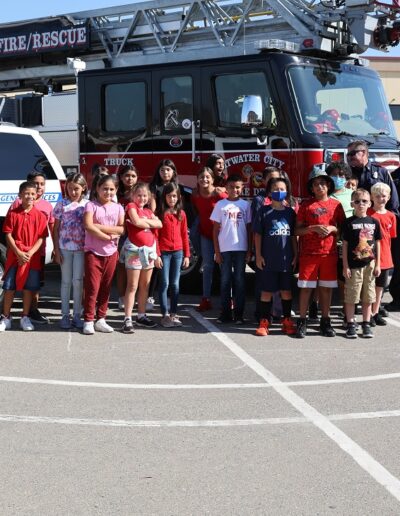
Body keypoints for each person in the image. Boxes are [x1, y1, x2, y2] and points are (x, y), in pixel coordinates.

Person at [295, 168, 345, 338]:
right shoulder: (306, 205)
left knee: (326, 289)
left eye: (322, 183)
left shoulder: (336, 205)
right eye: (315, 184)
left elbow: (343, 229)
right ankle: (302, 321)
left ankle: (325, 321)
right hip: (309, 254)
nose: (319, 187)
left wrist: (332, 228)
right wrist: (312, 228)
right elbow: (296, 230)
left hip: (328, 254)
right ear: (311, 188)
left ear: (328, 185)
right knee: (306, 289)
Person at [0, 181, 48, 332]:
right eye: (26, 193)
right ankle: (6, 317)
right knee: (9, 288)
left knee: (28, 289)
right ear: (20, 195)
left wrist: (30, 253)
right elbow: (8, 234)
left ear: (36, 195)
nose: (30, 196)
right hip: (14, 257)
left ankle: (25, 317)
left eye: (33, 193)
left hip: (31, 259)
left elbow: (41, 237)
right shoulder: (13, 214)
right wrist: (18, 252)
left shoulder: (40, 216)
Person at [253, 177, 297, 336]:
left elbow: (293, 236)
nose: (279, 192)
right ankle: (264, 322)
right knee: (266, 292)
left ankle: (286, 321)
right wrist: (258, 255)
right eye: (276, 189)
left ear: (287, 191)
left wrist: (296, 254)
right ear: (270, 192)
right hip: (268, 259)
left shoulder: (290, 213)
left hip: (286, 260)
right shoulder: (263, 211)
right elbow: (258, 235)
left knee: (286, 292)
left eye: (282, 189)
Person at [83, 175, 125, 335]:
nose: (108, 192)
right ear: (97, 188)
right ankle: (88, 320)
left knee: (106, 287)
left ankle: (101, 319)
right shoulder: (90, 205)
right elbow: (88, 225)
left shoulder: (119, 208)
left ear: (116, 190)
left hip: (111, 252)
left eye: (111, 189)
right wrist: (107, 236)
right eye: (105, 188)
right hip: (93, 252)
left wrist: (99, 227)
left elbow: (121, 229)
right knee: (92, 287)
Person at [121, 182, 162, 333]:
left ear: (149, 197)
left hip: (149, 251)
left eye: (145, 196)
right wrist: (150, 223)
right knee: (132, 285)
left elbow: (159, 224)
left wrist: (157, 254)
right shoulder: (131, 206)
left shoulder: (148, 211)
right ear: (133, 195)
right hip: (134, 250)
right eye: (139, 195)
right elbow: (136, 222)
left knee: (145, 286)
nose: (142, 198)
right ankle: (127, 318)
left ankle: (141, 315)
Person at [211, 174, 251, 323]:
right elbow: (215, 230)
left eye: (237, 187)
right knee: (225, 281)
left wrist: (249, 250)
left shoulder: (245, 205)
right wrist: (217, 251)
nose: (234, 190)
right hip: (225, 249)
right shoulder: (220, 205)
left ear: (242, 188)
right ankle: (225, 314)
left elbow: (249, 229)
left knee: (240, 281)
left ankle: (239, 315)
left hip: (241, 248)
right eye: (231, 187)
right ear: (226, 188)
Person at [342, 189, 381, 338]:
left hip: (370, 265)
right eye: (357, 201)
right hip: (353, 265)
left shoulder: (374, 222)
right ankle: (351, 324)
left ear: (370, 203)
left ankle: (366, 323)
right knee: (352, 296)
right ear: (352, 204)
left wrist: (378, 264)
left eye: (364, 201)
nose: (361, 204)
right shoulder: (348, 223)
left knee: (368, 296)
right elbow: (345, 245)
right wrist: (345, 266)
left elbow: (378, 243)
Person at [53, 173, 89, 330]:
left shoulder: (88, 205)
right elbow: (55, 229)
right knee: (66, 282)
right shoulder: (61, 204)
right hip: (64, 249)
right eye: (70, 189)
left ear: (83, 188)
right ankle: (65, 315)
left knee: (78, 281)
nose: (73, 192)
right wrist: (56, 250)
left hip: (81, 249)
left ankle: (77, 315)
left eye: (76, 189)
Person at [192, 167, 227, 312]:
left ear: (213, 179)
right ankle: (206, 299)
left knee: (224, 268)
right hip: (206, 235)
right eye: (201, 177)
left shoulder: (219, 194)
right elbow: (198, 211)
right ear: (197, 179)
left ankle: (227, 300)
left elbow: (230, 206)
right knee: (207, 267)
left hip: (222, 236)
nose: (204, 179)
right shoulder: (195, 194)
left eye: (207, 177)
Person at [156, 182, 190, 327]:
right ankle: (164, 315)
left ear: (179, 197)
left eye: (174, 196)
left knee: (175, 284)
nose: (172, 199)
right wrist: (157, 255)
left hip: (178, 252)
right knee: (164, 283)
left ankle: (173, 314)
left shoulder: (181, 214)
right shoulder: (160, 213)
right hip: (164, 252)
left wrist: (187, 255)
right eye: (169, 196)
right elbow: (155, 236)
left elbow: (184, 235)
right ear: (164, 197)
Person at [26, 171, 55, 325]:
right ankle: (7, 313)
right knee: (17, 282)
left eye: (42, 184)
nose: (39, 187)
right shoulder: (19, 203)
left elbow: (53, 228)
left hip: (39, 251)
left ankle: (33, 311)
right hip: (22, 251)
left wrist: (56, 248)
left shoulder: (47, 206)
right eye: (36, 183)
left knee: (36, 283)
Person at [368, 183, 396, 326]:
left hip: (385, 256)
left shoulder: (391, 216)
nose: (381, 199)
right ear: (372, 197)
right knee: (368, 286)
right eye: (377, 196)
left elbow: (390, 237)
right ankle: (368, 314)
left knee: (380, 287)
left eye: (384, 196)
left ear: (389, 197)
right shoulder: (367, 213)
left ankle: (375, 312)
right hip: (368, 256)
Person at [346, 140, 399, 212]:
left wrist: (392, 216)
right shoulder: (347, 173)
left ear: (363, 152)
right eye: (348, 154)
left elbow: (393, 200)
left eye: (352, 154)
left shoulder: (381, 172)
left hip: (377, 215)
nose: (349, 157)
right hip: (355, 216)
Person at [116, 165, 139, 310]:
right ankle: (121, 297)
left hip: (135, 235)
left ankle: (134, 297)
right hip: (121, 235)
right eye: (127, 175)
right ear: (121, 177)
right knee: (121, 267)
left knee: (135, 267)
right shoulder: (115, 193)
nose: (130, 179)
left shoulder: (140, 194)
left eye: (133, 176)